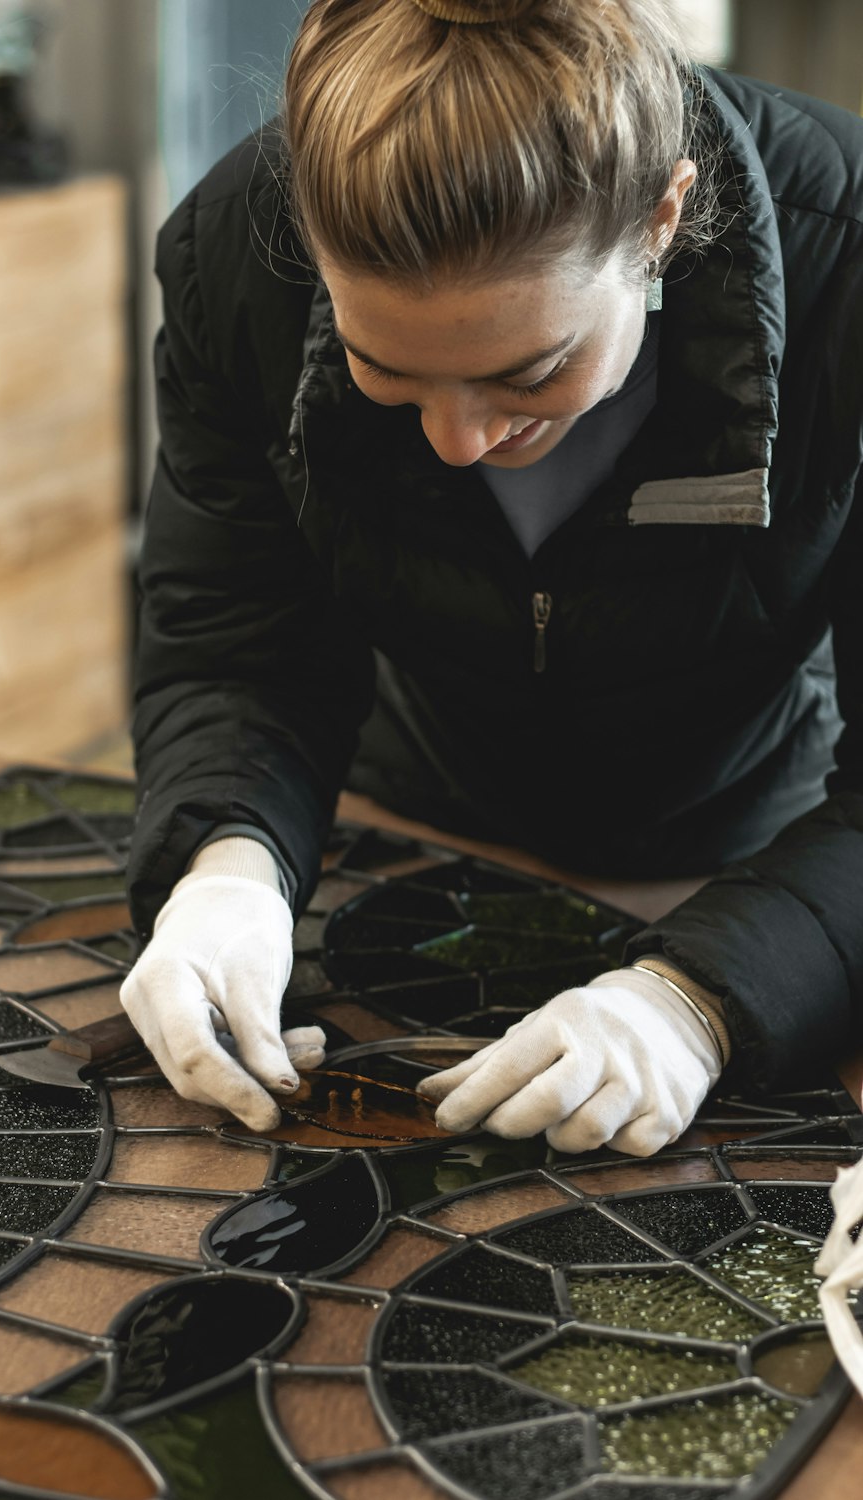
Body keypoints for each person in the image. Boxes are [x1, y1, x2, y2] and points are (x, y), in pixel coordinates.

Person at [121, 0, 863, 1155]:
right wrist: (231, 863)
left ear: (663, 218)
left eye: (532, 370)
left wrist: (701, 1000)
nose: (458, 442)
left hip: (750, 853)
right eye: (384, 369)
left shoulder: (848, 266)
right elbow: (234, 635)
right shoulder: (234, 255)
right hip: (406, 828)